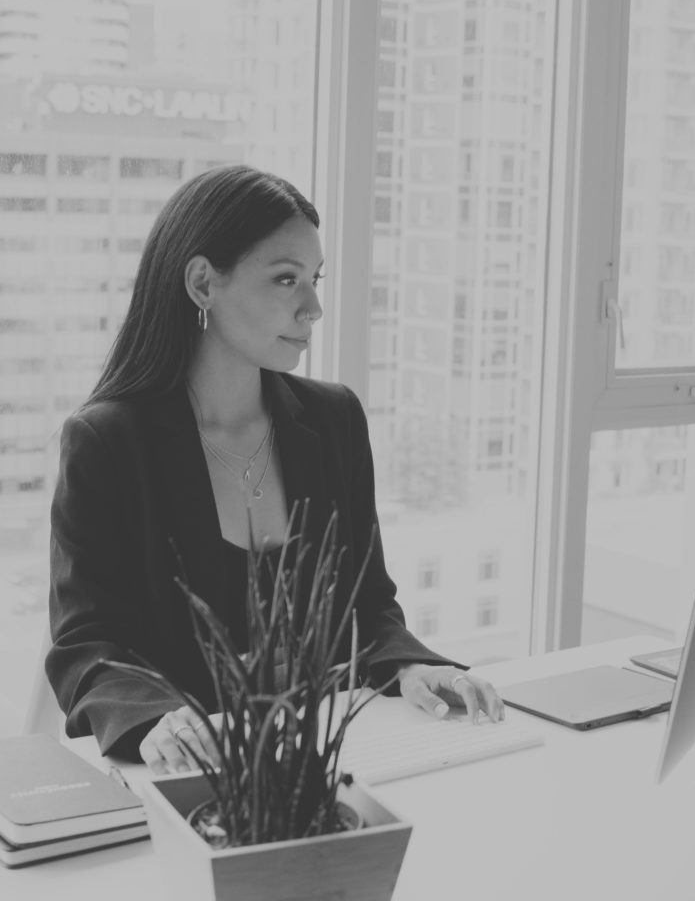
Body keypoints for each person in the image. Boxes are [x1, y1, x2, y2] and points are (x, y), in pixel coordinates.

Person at [47, 164, 504, 774]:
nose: (313, 307)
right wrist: (154, 719)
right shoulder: (108, 442)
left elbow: (368, 602)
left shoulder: (334, 419)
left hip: (331, 756)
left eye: (314, 280)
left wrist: (409, 665)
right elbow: (86, 642)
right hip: (193, 772)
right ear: (203, 282)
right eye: (286, 279)